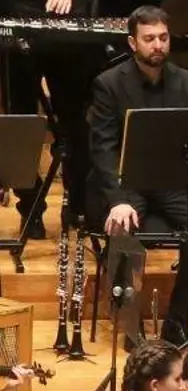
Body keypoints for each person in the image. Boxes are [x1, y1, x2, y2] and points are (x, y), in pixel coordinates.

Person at [88, 6, 188, 346]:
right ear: (133, 43)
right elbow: (103, 149)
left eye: (163, 37)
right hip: (128, 182)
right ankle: (131, 327)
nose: (158, 45)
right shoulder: (108, 84)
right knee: (122, 229)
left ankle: (176, 323)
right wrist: (117, 201)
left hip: (172, 183)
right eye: (149, 39)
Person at [1, 0, 94, 233]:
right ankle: (30, 208)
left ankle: (77, 203)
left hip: (68, 26)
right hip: (16, 20)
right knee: (21, 124)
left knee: (75, 125)